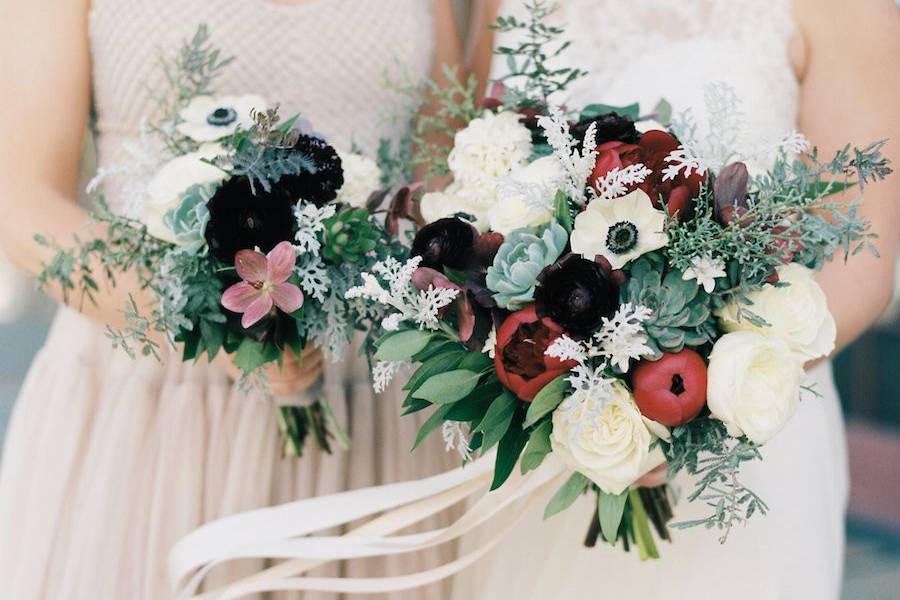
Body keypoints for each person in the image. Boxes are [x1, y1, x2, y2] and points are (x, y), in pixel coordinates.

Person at [0, 1, 464, 598]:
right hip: (149, 398)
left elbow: (443, 178)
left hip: (374, 404)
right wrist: (207, 322)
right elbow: (22, 201)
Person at [449, 1, 900, 598]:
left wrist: (680, 411)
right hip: (544, 454)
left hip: (739, 453)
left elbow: (858, 260)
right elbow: (468, 166)